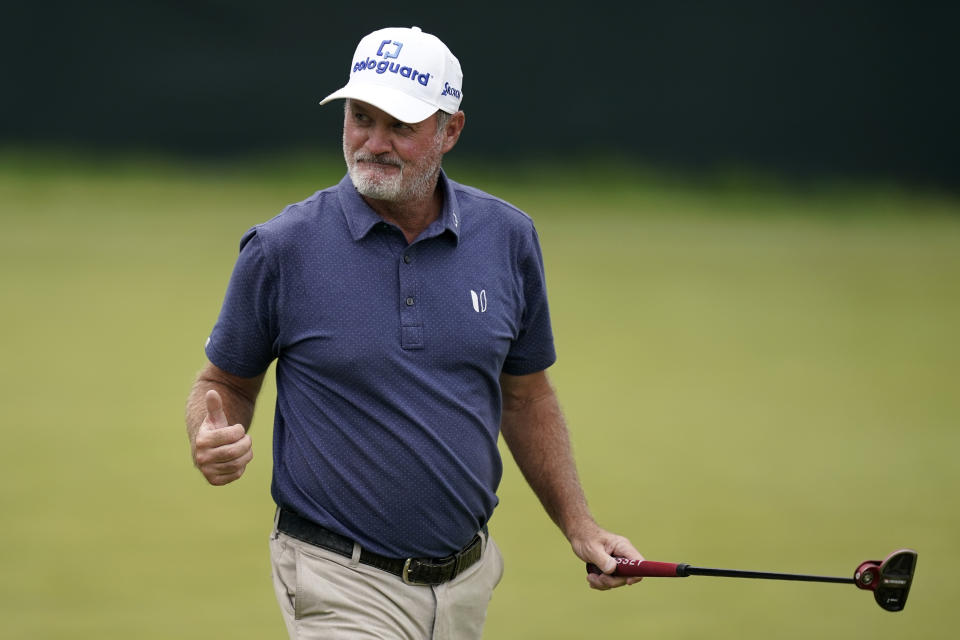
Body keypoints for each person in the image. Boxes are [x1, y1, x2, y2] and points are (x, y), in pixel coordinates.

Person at [185, 25, 643, 639]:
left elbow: (527, 394)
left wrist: (581, 527)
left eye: (400, 125)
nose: (373, 143)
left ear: (450, 129)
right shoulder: (281, 249)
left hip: (466, 584)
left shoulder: (507, 238)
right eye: (360, 118)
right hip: (335, 580)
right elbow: (224, 382)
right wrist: (211, 431)